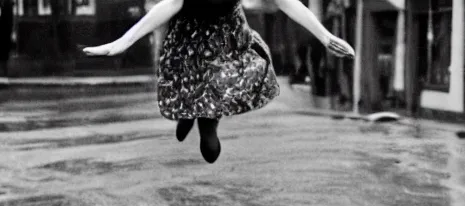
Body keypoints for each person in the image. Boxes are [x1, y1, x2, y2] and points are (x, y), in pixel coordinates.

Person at [84, 0, 354, 164]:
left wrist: (325, 36)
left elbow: (286, 2)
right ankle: (189, 113)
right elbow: (169, 4)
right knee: (190, 77)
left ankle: (207, 122)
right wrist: (123, 42)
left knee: (229, 76)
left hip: (228, 33)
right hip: (189, 35)